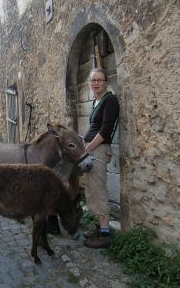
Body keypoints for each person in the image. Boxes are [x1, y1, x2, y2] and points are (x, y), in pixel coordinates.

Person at [82, 68, 119, 249]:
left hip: (98, 150)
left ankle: (105, 234)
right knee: (92, 189)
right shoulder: (97, 102)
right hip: (91, 150)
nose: (96, 83)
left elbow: (105, 131)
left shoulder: (110, 100)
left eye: (99, 80)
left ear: (106, 82)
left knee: (99, 189)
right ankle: (100, 227)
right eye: (93, 80)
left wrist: (87, 148)